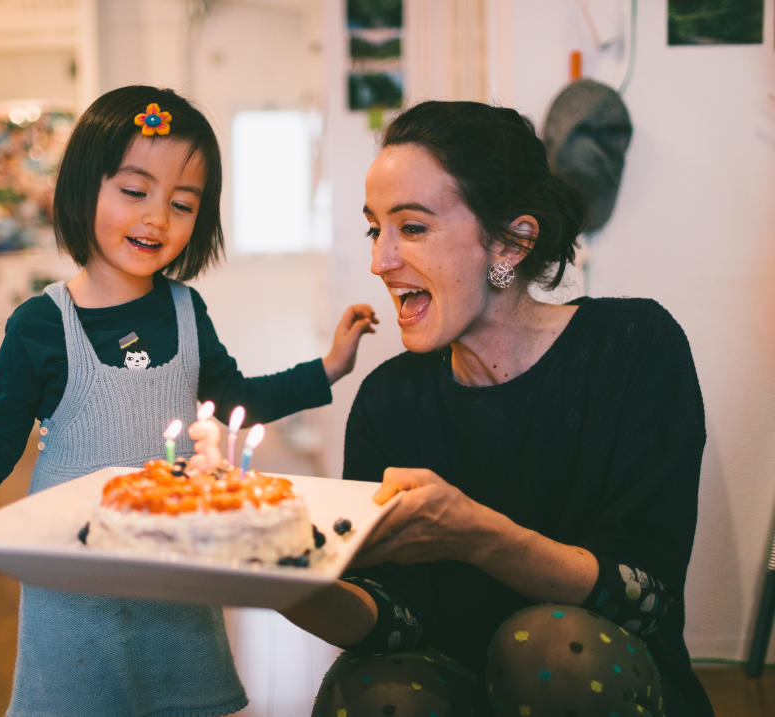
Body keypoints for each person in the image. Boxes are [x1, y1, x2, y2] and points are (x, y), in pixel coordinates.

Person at [0, 85, 376, 715]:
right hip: (73, 589)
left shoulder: (187, 311)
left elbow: (236, 397)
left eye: (182, 203)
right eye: (134, 192)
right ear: (85, 188)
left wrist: (328, 368)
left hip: (176, 583)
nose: (156, 218)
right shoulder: (40, 323)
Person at [281, 101, 714, 716]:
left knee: (552, 650)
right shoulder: (389, 399)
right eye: (375, 228)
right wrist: (291, 585)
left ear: (511, 242)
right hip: (451, 682)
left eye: (413, 227)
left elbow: (645, 598)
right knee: (375, 696)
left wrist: (479, 537)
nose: (381, 260)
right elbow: (396, 623)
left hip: (598, 678)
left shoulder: (636, 348)